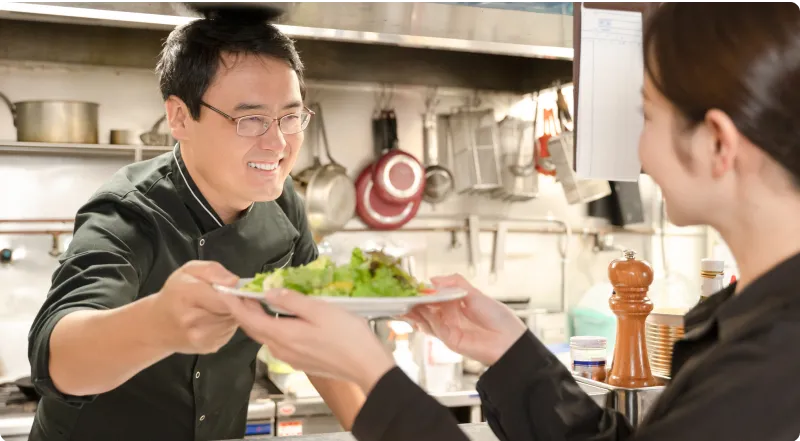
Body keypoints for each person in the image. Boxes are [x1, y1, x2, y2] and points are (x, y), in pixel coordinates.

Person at [222, 3, 800, 441]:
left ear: (719, 143)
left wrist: (372, 375)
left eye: (648, 114)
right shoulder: (746, 321)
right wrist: (511, 352)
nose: (640, 151)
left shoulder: (773, 366)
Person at [26, 7, 365, 441]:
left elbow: (315, 332)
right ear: (180, 117)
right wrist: (157, 324)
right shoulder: (127, 213)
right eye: (251, 119)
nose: (278, 143)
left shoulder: (283, 205)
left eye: (290, 116)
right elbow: (58, 358)